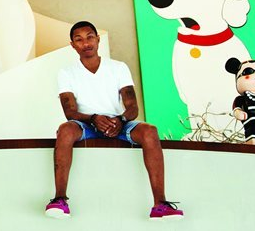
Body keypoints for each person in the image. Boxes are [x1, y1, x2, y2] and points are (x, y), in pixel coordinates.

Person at [45, 21, 183, 220]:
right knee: (65, 129)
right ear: (72, 45)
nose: (86, 43)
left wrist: (120, 120)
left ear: (97, 39)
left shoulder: (118, 67)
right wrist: (94, 118)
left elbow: (133, 107)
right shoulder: (66, 72)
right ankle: (59, 200)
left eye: (90, 37)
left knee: (149, 130)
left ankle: (160, 205)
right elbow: (70, 112)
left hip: (118, 123)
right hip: (86, 124)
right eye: (79, 39)